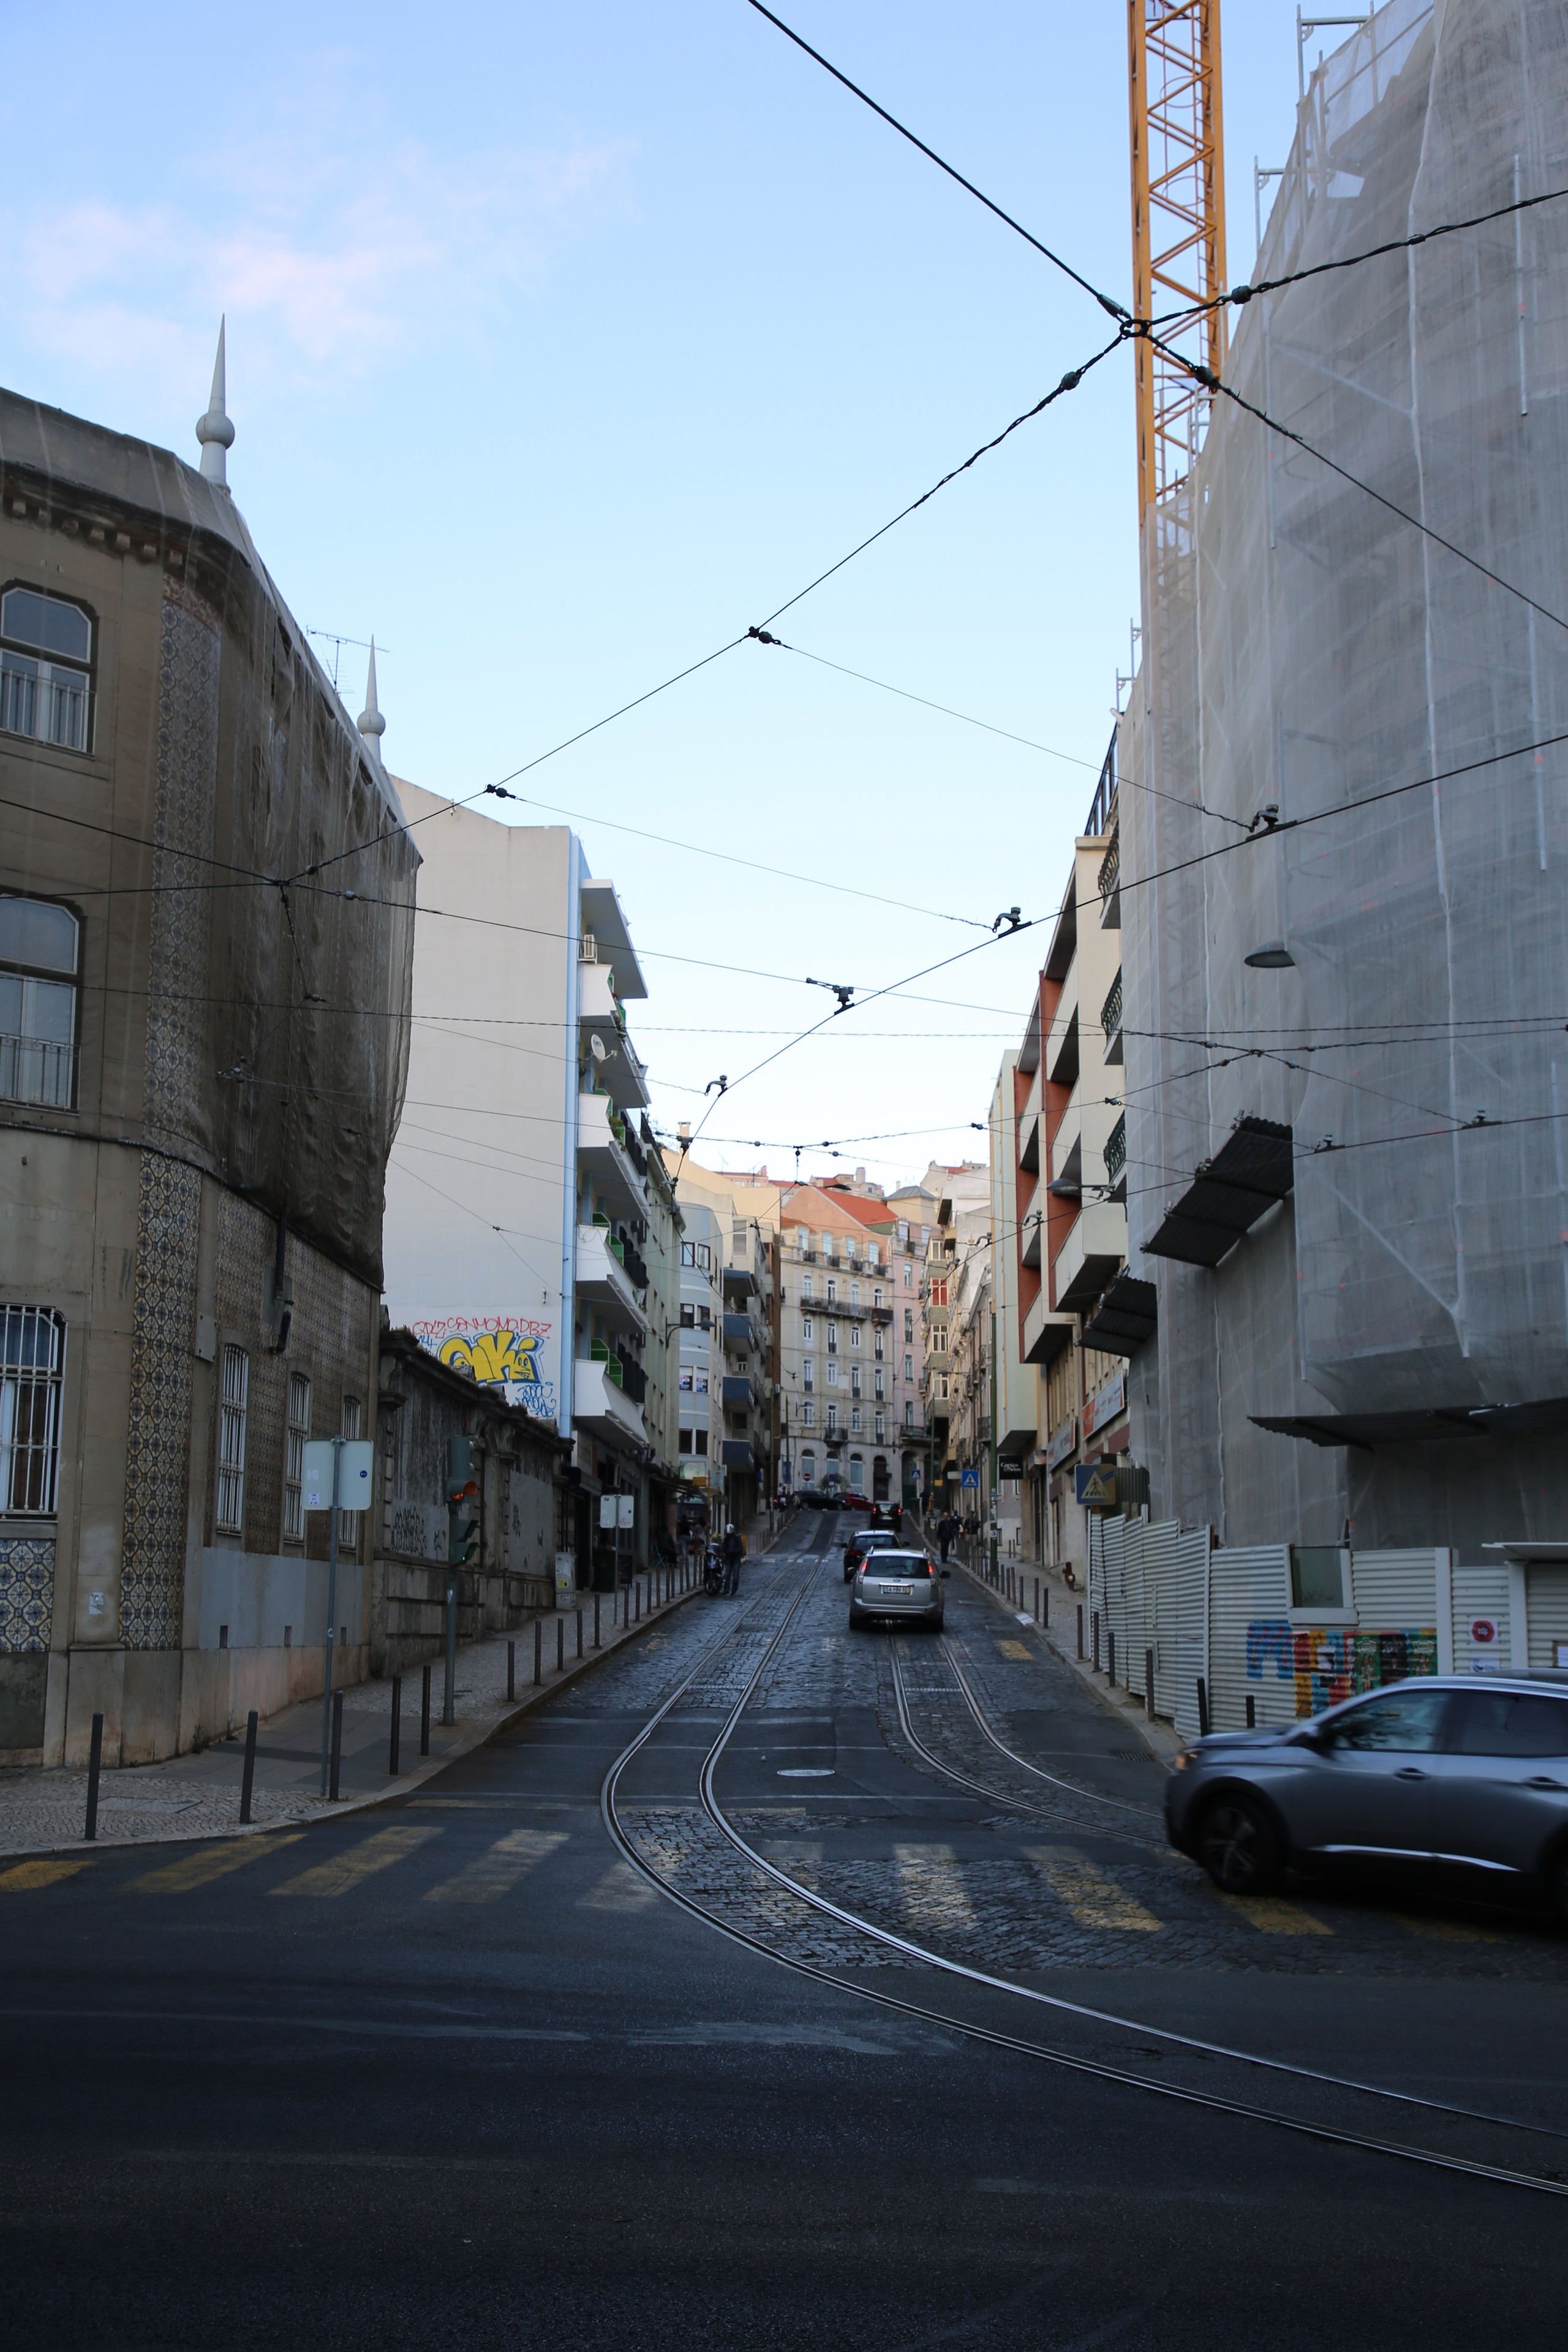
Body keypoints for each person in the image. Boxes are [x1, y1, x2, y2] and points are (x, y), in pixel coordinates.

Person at [720, 1521, 744, 1596]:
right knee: (728, 1574)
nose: (729, 1535)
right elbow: (724, 1547)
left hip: (736, 1558)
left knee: (736, 1574)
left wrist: (733, 1551)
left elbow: (740, 1548)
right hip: (729, 1558)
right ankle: (726, 1590)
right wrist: (727, 1552)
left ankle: (734, 1590)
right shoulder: (726, 1539)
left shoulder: (737, 1538)